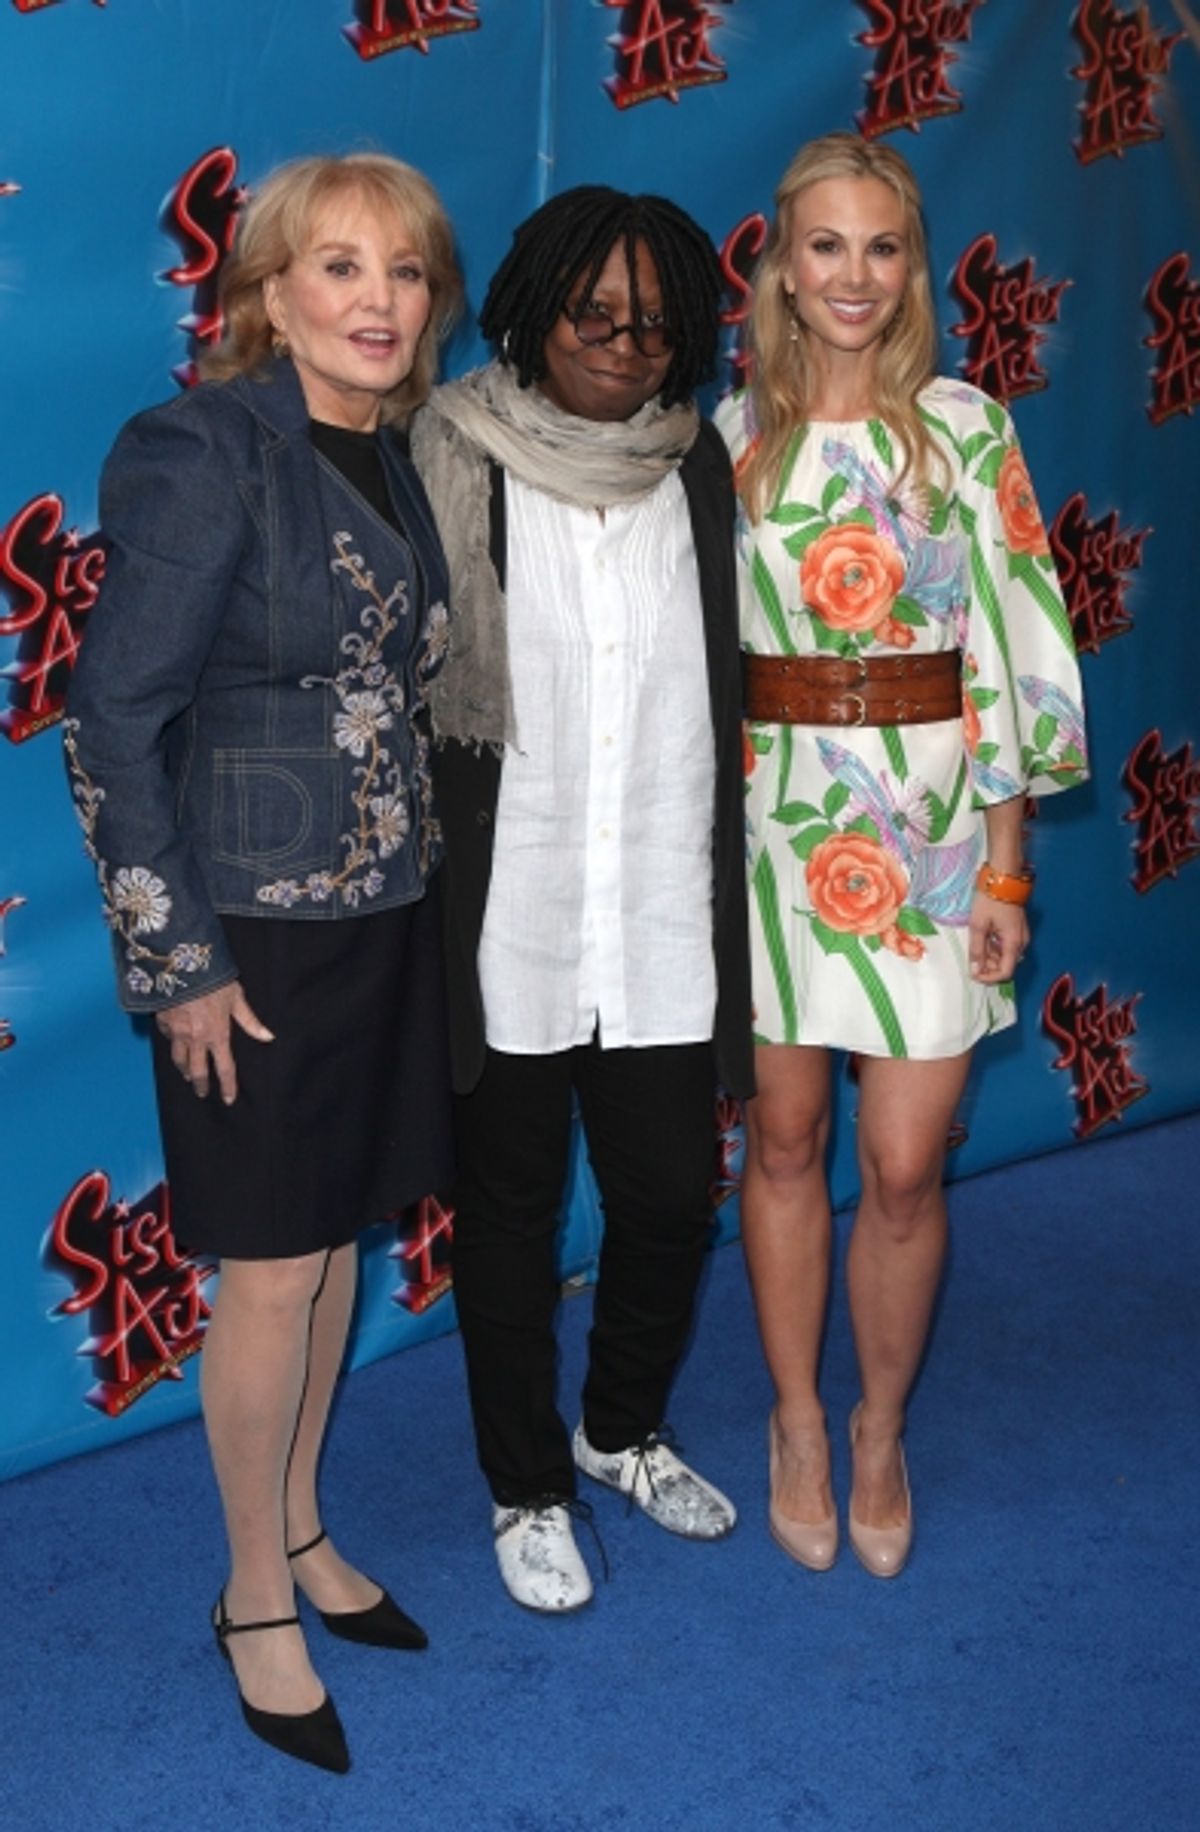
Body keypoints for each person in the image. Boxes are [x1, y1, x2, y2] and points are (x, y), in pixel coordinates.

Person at [65, 153, 461, 1769]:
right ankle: (250, 1594)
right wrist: (180, 961)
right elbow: (114, 720)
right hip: (252, 937)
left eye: (407, 273)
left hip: (388, 909)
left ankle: (300, 1529)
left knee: (341, 1239)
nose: (378, 302)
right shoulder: (201, 449)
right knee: (273, 1268)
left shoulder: (402, 453)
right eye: (340, 268)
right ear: (272, 293)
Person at [716, 133, 1087, 1578]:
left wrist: (1006, 866)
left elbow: (1013, 648)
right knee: (789, 1139)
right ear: (782, 265)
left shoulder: (967, 429)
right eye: (826, 245)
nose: (854, 274)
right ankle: (798, 1420)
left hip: (933, 830)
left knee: (906, 1159)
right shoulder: (726, 436)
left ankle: (882, 1426)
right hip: (773, 824)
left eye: (883, 247)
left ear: (910, 267)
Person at [410, 187, 754, 1612]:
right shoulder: (443, 452)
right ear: (534, 309)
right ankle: (525, 1484)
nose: (621, 343)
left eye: (654, 320)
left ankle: (617, 1433)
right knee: (507, 1214)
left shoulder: (698, 470)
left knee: (673, 1198)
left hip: (662, 902)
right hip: (509, 908)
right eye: (592, 312)